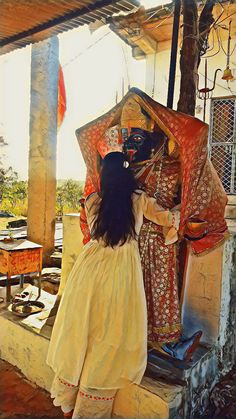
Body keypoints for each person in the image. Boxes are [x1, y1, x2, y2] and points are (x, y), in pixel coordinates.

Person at [47, 151, 180, 419]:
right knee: (108, 335)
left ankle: (68, 403)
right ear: (127, 173)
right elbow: (169, 220)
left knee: (80, 328)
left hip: (90, 267)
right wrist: (177, 213)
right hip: (122, 270)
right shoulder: (140, 200)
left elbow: (93, 230)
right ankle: (89, 409)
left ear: (104, 175)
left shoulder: (93, 200)